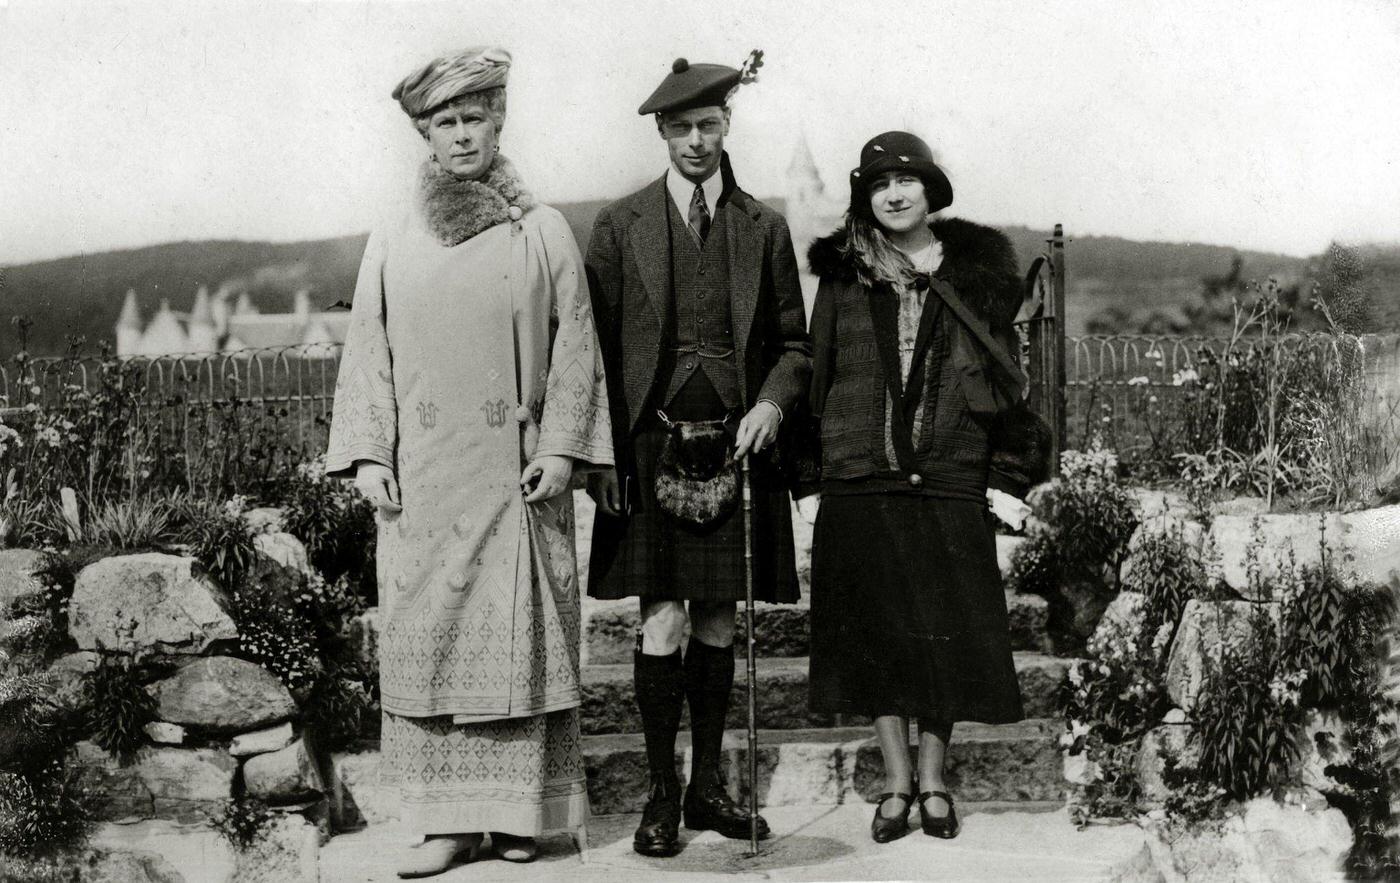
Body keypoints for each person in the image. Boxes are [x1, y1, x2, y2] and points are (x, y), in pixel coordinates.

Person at [324, 47, 614, 878]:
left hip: (519, 481)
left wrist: (563, 448)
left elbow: (576, 350)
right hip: (423, 486)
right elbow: (368, 346)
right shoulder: (396, 232)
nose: (460, 136)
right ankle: (446, 823)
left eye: (473, 120)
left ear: (498, 124)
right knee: (435, 644)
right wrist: (371, 454)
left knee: (519, 644)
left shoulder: (542, 228)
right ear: (425, 132)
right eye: (444, 123)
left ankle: (522, 816)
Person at [584, 53, 812, 858]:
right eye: (679, 128)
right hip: (650, 445)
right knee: (662, 616)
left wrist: (770, 403)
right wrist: (599, 456)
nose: (694, 141)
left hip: (739, 446)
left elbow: (795, 344)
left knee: (718, 614)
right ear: (660, 131)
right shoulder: (620, 226)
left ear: (727, 126)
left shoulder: (765, 227)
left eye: (707, 125)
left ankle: (710, 785)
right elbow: (592, 352)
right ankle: (660, 789)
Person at [802, 131, 1049, 843]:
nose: (895, 194)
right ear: (866, 196)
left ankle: (935, 777)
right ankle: (895, 779)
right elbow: (820, 370)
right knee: (877, 631)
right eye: (879, 184)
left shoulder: (976, 272)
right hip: (862, 474)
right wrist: (811, 473)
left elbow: (1007, 376)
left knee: (946, 630)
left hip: (949, 471)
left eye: (907, 180)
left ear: (931, 192)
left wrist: (1005, 475)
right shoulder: (844, 276)